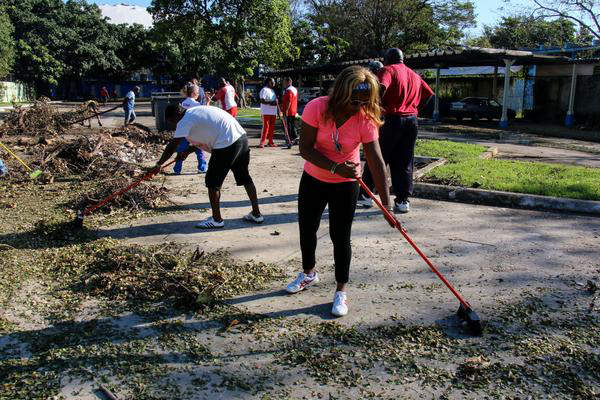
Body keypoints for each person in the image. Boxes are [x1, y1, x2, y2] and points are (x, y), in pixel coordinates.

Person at [284, 66, 397, 317]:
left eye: (364, 102)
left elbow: (377, 161)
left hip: (346, 185)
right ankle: (309, 274)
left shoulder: (365, 119)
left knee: (340, 236)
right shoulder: (316, 108)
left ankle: (340, 291)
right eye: (354, 101)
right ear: (340, 95)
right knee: (308, 228)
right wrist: (336, 167)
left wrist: (387, 206)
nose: (358, 107)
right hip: (314, 178)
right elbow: (306, 149)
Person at [156, 104, 264, 228]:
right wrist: (186, 152)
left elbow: (172, 146)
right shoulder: (195, 112)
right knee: (245, 177)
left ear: (177, 114)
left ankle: (216, 220)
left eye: (172, 121)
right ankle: (256, 214)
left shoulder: (183, 120)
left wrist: (159, 164)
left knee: (213, 183)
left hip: (225, 143)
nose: (174, 125)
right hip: (241, 138)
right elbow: (204, 137)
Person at [358, 48, 433, 213]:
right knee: (405, 160)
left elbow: (381, 87)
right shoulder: (413, 74)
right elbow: (428, 94)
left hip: (392, 119)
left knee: (376, 157)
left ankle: (366, 194)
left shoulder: (388, 70)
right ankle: (402, 200)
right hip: (412, 121)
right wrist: (415, 109)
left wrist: (373, 108)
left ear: (388, 59)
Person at [173, 82, 207, 174]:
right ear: (193, 94)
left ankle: (177, 169)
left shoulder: (183, 103)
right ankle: (202, 168)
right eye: (197, 93)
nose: (199, 95)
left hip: (184, 131)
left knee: (181, 149)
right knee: (199, 150)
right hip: (195, 131)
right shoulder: (197, 105)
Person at [259, 78, 278, 148]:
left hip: (273, 112)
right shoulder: (264, 90)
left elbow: (274, 101)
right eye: (273, 82)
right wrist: (271, 103)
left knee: (272, 127)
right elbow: (262, 100)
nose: (274, 83)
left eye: (274, 82)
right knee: (266, 127)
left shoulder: (272, 90)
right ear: (269, 82)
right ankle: (262, 142)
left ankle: (270, 142)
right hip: (266, 111)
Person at [282, 77, 299, 145]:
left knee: (287, 126)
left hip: (289, 111)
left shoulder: (289, 90)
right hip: (293, 110)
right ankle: (294, 138)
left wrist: (286, 110)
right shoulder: (294, 89)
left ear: (288, 82)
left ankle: (289, 139)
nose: (283, 84)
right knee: (292, 125)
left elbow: (288, 101)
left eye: (284, 82)